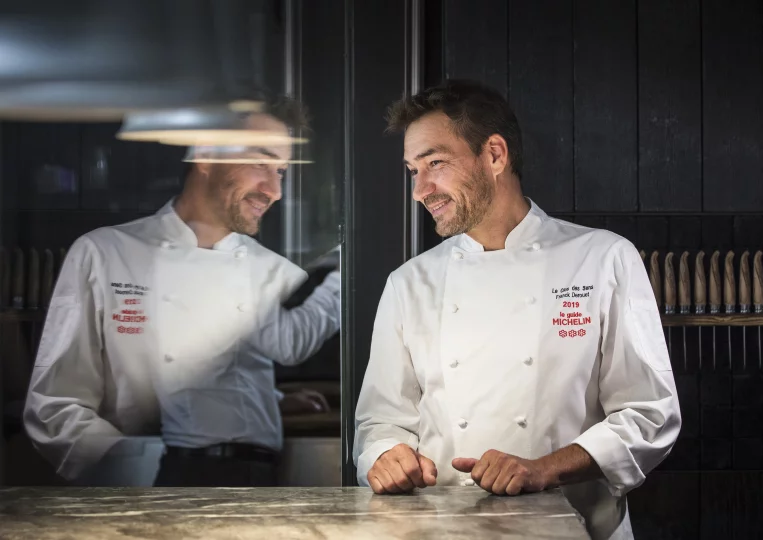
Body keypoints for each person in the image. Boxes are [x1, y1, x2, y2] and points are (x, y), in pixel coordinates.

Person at [353, 80, 681, 540]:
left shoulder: (602, 258)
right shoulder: (409, 282)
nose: (420, 189)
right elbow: (381, 420)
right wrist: (385, 454)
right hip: (443, 528)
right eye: (413, 170)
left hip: (576, 527)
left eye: (436, 163)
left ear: (495, 155)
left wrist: (543, 469)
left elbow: (650, 414)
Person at [24, 94, 341, 487]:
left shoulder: (257, 263)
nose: (274, 189)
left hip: (258, 481)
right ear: (206, 153)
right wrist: (140, 472)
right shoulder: (106, 253)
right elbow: (55, 407)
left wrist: (270, 402)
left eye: (281, 171)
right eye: (261, 162)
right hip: (153, 485)